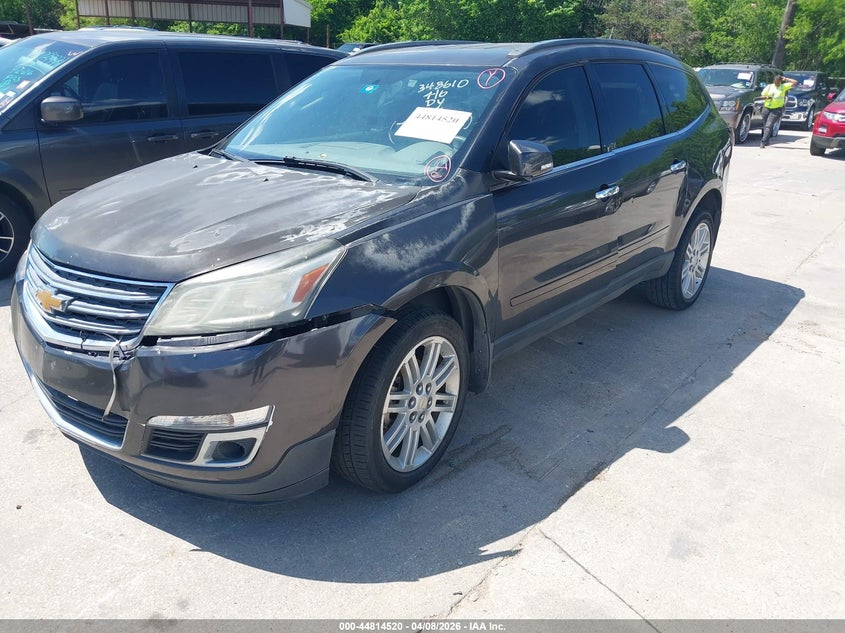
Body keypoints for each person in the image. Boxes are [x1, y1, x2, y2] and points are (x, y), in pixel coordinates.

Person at [760, 74, 798, 148]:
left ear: (781, 81)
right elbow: (762, 96)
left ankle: (763, 142)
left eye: (778, 82)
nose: (776, 83)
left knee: (769, 125)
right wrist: (767, 97)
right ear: (774, 81)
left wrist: (786, 79)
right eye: (775, 81)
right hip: (766, 108)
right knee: (765, 125)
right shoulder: (769, 86)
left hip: (777, 109)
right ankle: (766, 140)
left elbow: (795, 82)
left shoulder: (783, 87)